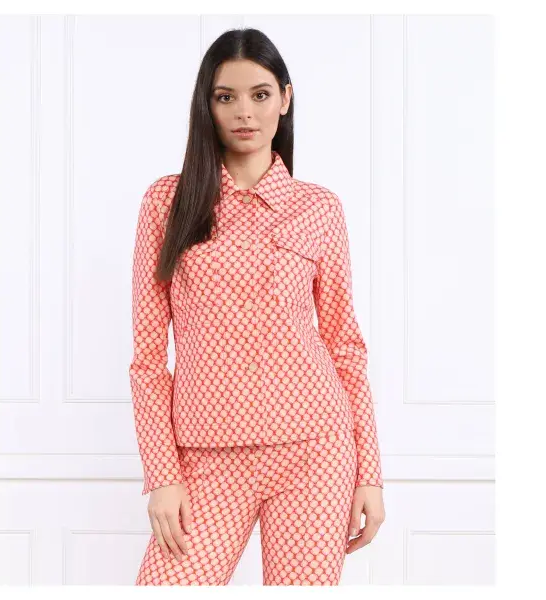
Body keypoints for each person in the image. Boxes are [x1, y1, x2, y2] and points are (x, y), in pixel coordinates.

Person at [129, 27, 385, 586]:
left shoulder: (318, 208)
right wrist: (162, 475)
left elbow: (345, 346)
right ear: (207, 104)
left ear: (285, 99)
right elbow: (148, 359)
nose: (244, 112)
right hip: (207, 456)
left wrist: (370, 472)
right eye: (226, 97)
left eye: (260, 94)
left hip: (314, 450)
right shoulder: (167, 202)